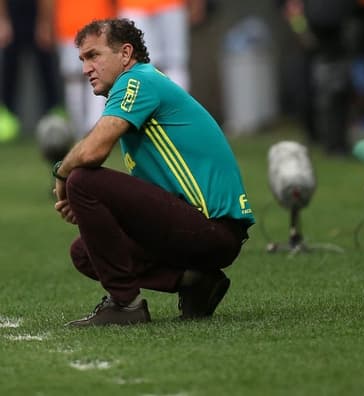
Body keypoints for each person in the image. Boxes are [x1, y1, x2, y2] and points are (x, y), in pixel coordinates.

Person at [52, 18, 255, 327]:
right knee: (84, 252)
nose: (85, 69)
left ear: (125, 54)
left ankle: (125, 305)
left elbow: (92, 152)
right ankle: (194, 281)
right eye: (82, 59)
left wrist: (62, 172)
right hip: (198, 229)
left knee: (82, 179)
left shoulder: (138, 80)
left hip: (212, 227)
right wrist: (96, 213)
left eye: (93, 55)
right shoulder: (139, 86)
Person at [51, 0, 116, 140]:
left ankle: (86, 132)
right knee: (93, 75)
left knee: (76, 80)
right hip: (91, 23)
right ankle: (92, 131)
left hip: (74, 23)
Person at [0, 0, 62, 142]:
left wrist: (45, 23)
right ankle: (6, 116)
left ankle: (54, 112)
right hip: (13, 15)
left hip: (36, 16)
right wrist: (3, 21)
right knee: (9, 67)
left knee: (46, 65)